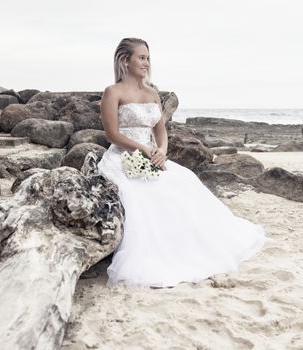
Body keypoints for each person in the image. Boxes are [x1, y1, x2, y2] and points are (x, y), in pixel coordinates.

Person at [97, 37, 266, 288]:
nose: (146, 63)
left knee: (184, 183)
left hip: (151, 156)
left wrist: (161, 151)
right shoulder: (113, 92)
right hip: (122, 157)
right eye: (141, 58)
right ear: (125, 60)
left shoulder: (152, 93)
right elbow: (112, 134)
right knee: (142, 196)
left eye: (148, 58)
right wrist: (142, 148)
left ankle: (195, 245)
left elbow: (160, 131)